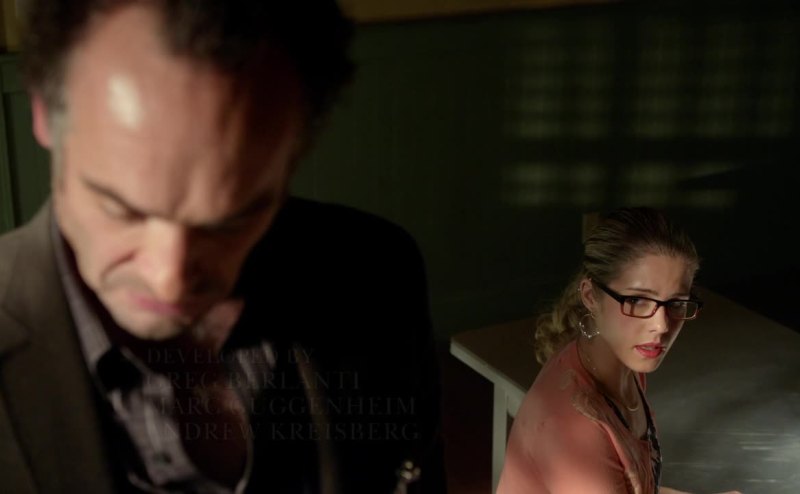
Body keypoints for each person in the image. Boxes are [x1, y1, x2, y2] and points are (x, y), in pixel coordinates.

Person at [0, 1, 445, 493]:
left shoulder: (379, 272)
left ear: (296, 150)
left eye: (232, 221)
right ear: (43, 113)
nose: (168, 280)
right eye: (121, 210)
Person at [497, 208, 741, 494]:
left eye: (676, 303)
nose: (661, 325)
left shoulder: (623, 366)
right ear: (590, 296)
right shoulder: (574, 426)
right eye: (638, 300)